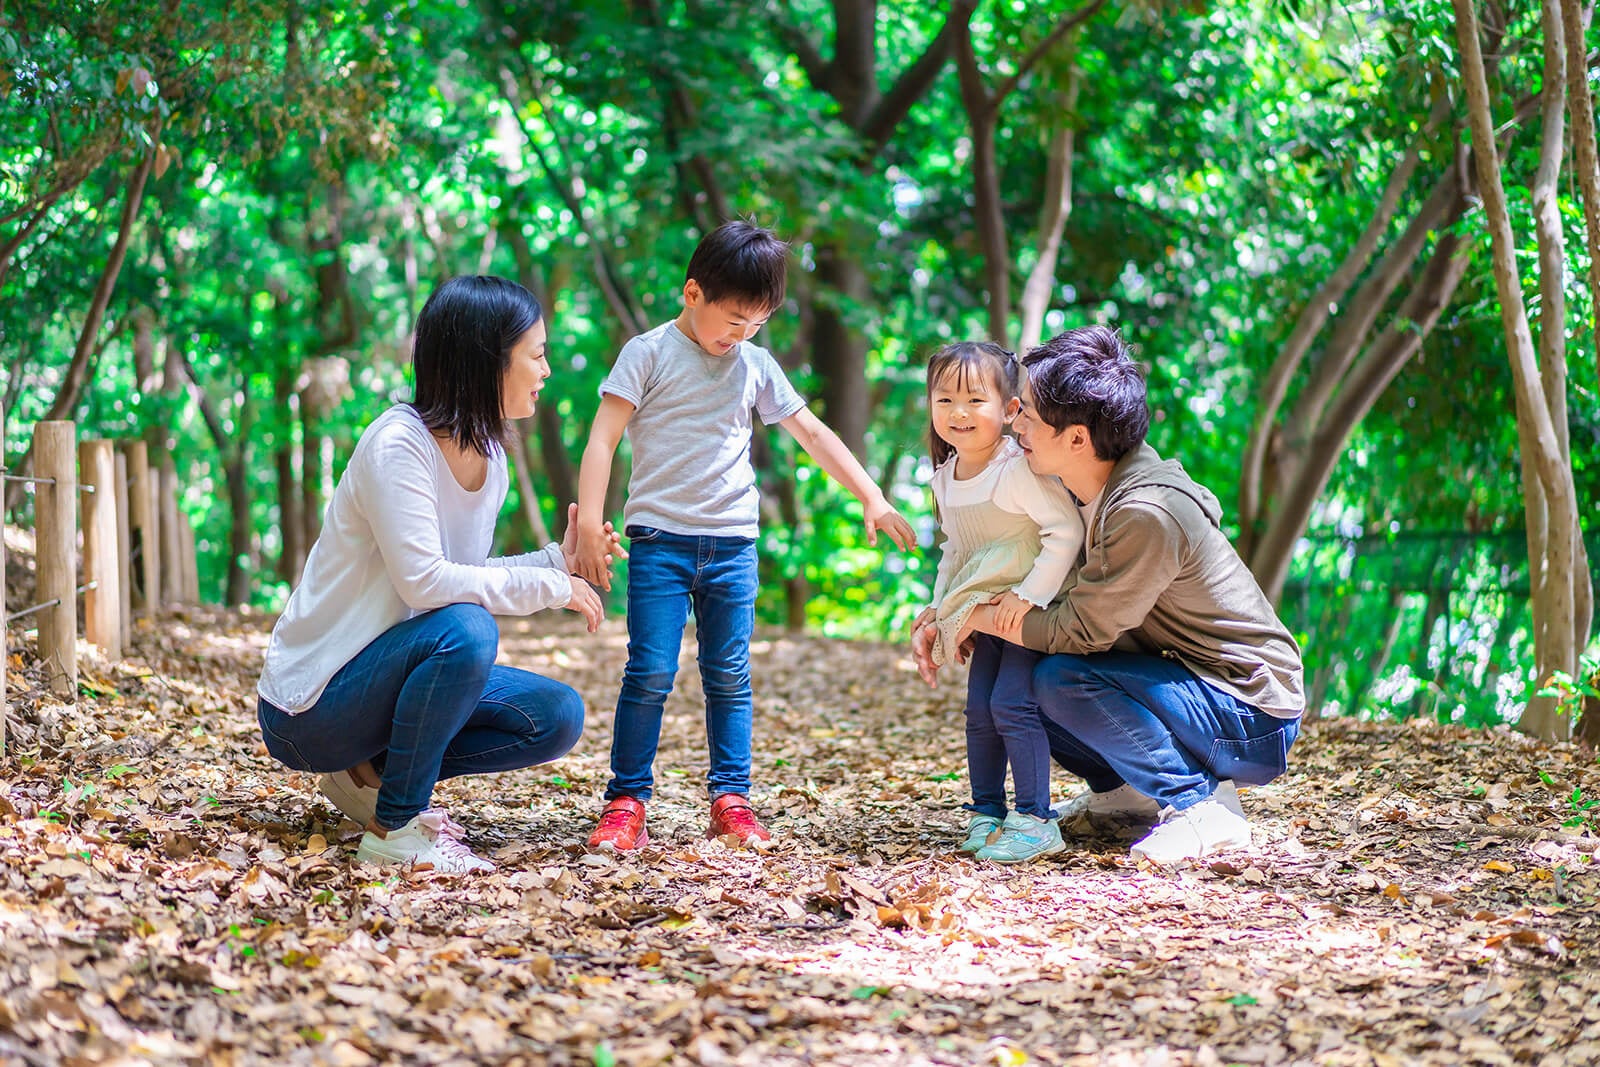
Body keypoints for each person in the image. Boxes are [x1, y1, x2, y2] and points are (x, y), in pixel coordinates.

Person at [573, 219, 915, 851]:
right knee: (649, 669)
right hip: (659, 543)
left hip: (733, 546)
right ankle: (626, 801)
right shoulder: (646, 353)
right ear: (692, 292)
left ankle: (731, 799)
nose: (743, 335)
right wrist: (592, 525)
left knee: (729, 672)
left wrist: (872, 496)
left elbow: (812, 433)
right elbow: (603, 438)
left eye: (757, 323)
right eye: (734, 319)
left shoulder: (755, 365)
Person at [257, 275, 612, 874]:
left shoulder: (491, 458)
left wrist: (559, 560)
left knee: (556, 716)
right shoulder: (398, 447)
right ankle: (394, 828)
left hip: (387, 680)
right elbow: (426, 584)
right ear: (487, 362)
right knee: (469, 631)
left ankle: (373, 771)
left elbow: (462, 574)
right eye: (537, 354)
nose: (546, 370)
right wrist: (552, 588)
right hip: (309, 709)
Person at [914, 325, 1304, 865]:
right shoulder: (1081, 487)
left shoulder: (1143, 512)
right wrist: (946, 611)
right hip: (1178, 678)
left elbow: (1080, 630)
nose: (1014, 422)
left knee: (1058, 677)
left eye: (1025, 412)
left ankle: (1198, 807)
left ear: (1076, 437)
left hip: (1250, 712)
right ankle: (1124, 791)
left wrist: (975, 617)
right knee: (1016, 692)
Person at [916, 342, 1083, 863]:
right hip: (984, 611)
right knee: (979, 712)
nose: (958, 413)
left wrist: (1029, 596)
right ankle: (986, 812)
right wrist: (941, 607)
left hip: (1029, 612)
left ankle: (1036, 819)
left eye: (973, 400)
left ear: (1010, 410)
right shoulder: (945, 479)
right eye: (944, 401)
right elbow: (956, 549)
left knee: (1013, 703)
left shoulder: (1015, 469)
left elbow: (1065, 531)